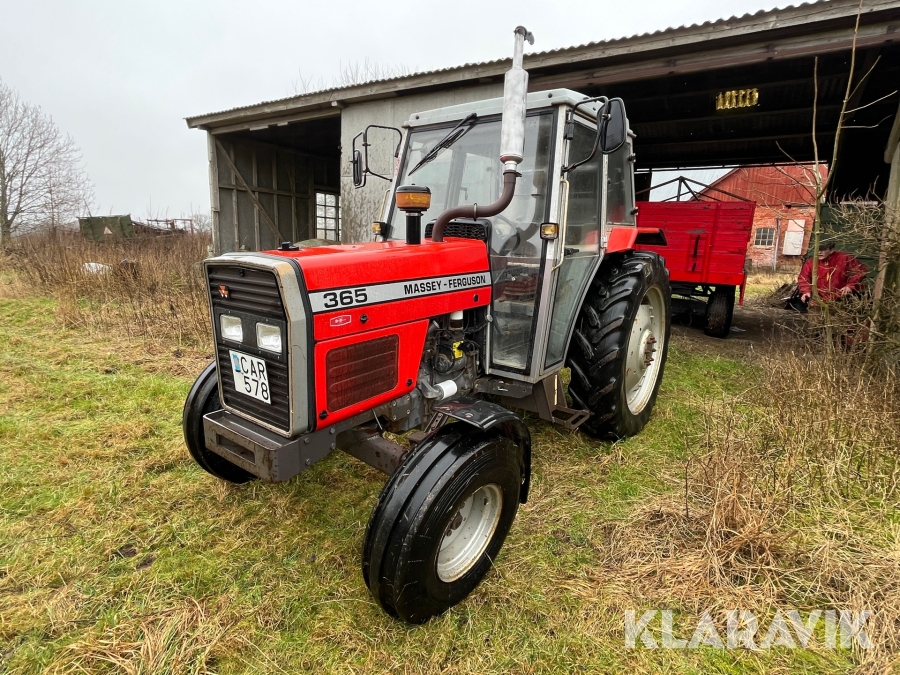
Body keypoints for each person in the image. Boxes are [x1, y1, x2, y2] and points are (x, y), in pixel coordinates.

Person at [797, 241, 867, 305]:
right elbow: (803, 278)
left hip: (842, 297)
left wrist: (850, 286)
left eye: (823, 249)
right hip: (819, 298)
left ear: (831, 250)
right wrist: (806, 291)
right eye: (817, 249)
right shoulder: (811, 262)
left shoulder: (844, 258)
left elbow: (860, 271)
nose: (819, 252)